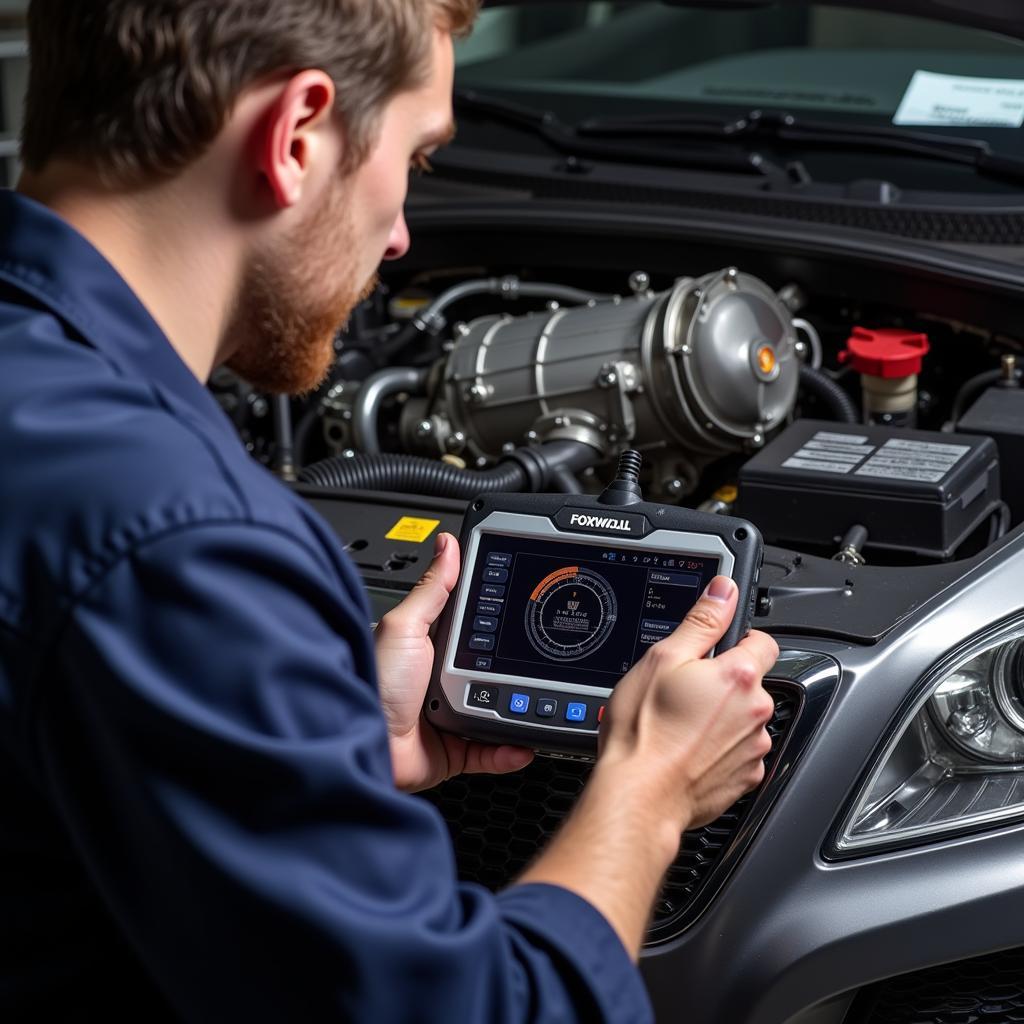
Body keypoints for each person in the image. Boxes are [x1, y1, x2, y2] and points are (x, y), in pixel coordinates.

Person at [0, 1, 779, 1020]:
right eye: (415, 159)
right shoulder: (182, 539)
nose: (405, 232)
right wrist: (651, 790)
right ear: (296, 135)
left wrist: (326, 742)